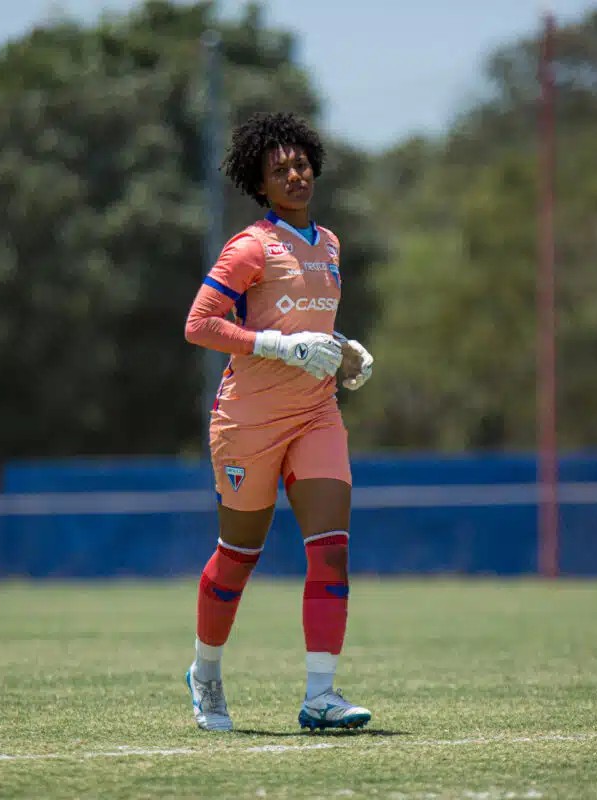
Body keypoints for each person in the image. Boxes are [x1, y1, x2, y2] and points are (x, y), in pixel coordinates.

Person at [182, 111, 375, 732]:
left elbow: (306, 325)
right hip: (249, 422)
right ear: (260, 184)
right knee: (239, 555)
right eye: (279, 169)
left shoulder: (331, 244)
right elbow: (200, 324)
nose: (295, 175)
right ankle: (206, 672)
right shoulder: (250, 246)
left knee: (332, 551)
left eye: (301, 164)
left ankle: (322, 695)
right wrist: (274, 346)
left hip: (316, 412)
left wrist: (343, 348)